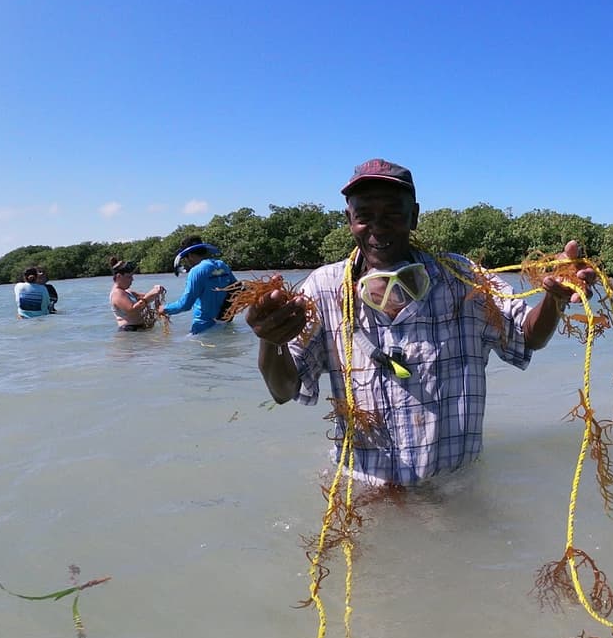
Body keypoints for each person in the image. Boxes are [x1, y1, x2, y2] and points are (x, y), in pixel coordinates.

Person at [246, 157, 595, 486]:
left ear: (414, 216)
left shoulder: (463, 278)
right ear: (349, 219)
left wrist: (554, 298)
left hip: (453, 489)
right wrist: (269, 340)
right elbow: (284, 391)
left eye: (393, 214)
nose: (377, 228)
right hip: (366, 493)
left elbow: (527, 335)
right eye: (364, 215)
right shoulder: (323, 289)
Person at [162, 236, 238, 334]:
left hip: (203, 328)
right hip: (225, 325)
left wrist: (165, 309)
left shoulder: (197, 271)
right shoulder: (222, 265)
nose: (186, 262)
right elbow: (237, 289)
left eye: (185, 258)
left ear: (190, 255)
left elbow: (185, 304)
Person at [108, 258, 166, 331]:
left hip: (137, 329)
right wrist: (149, 296)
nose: (132, 279)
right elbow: (132, 310)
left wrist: (156, 291)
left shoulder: (128, 292)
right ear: (119, 276)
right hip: (129, 331)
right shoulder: (117, 293)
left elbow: (147, 296)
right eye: (129, 277)